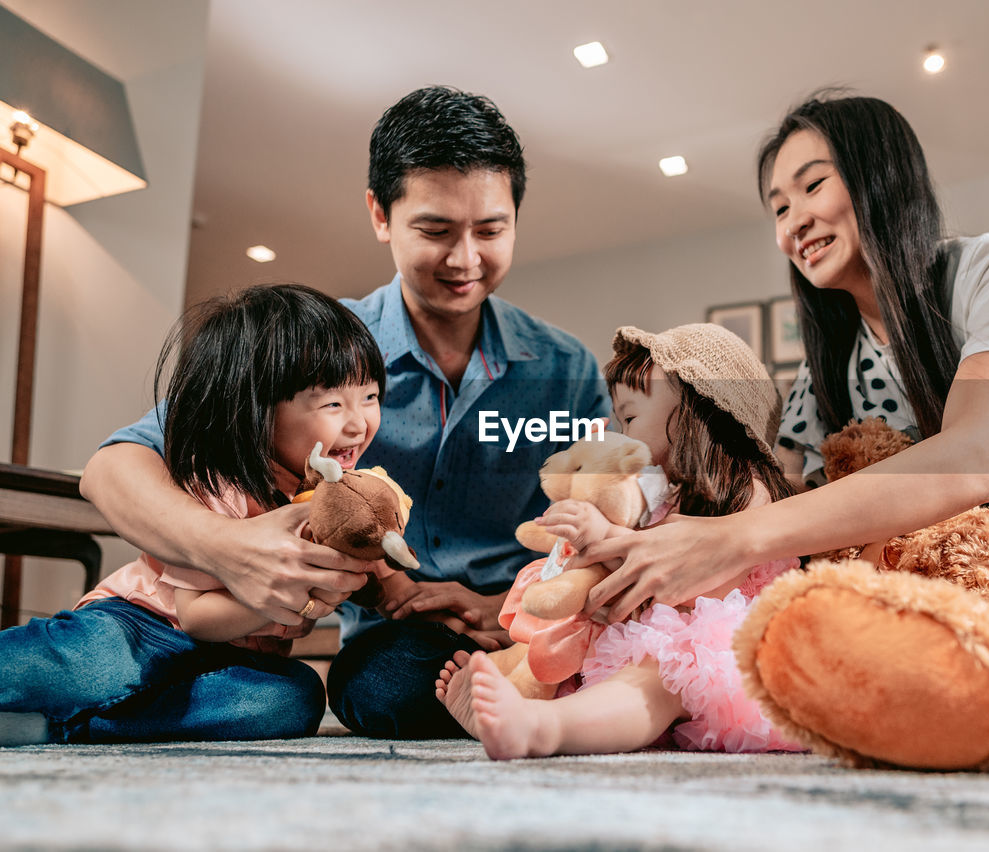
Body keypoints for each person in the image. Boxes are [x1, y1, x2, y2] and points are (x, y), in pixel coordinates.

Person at [574, 92, 989, 624]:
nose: (793, 223)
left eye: (813, 187)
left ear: (881, 176)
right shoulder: (825, 371)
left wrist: (741, 539)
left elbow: (973, 460)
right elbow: (793, 493)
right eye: (778, 208)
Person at [78, 87, 608, 739]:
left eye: (491, 230)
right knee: (390, 687)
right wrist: (230, 548)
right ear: (380, 215)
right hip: (401, 644)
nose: (466, 259)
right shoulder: (316, 349)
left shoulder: (567, 369)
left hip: (528, 618)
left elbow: (604, 521)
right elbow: (113, 466)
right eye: (436, 230)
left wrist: (502, 604)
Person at [0, 284, 381, 744]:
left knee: (292, 698)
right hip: (145, 626)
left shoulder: (323, 496)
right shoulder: (219, 483)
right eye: (333, 404)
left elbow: (369, 564)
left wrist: (390, 585)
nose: (359, 423)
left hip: (232, 659)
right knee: (94, 666)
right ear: (257, 410)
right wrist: (294, 594)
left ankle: (60, 726)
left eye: (370, 397)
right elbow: (197, 617)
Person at [436, 324, 806, 760]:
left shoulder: (749, 490)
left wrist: (610, 540)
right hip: (643, 633)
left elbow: (708, 592)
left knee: (660, 674)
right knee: (576, 659)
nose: (621, 433)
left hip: (719, 648)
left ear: (696, 407)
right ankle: (517, 696)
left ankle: (542, 729)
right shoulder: (657, 496)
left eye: (629, 417)